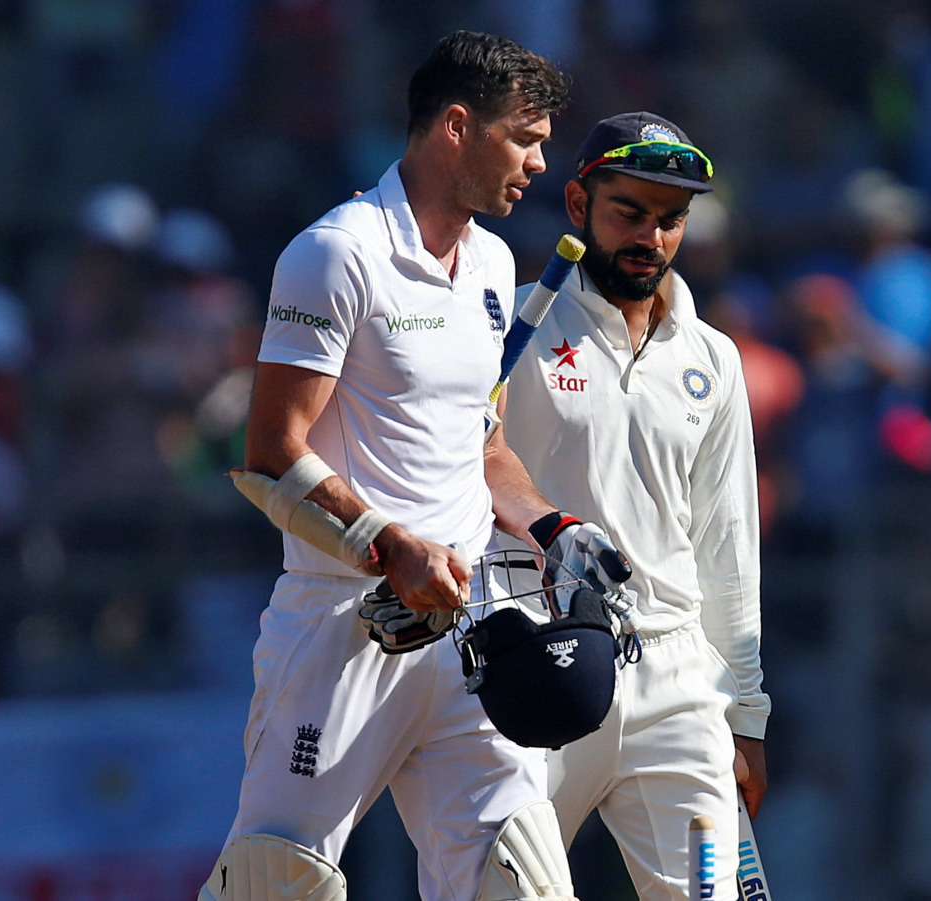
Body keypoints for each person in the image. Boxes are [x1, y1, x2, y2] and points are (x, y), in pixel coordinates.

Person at [198, 31, 629, 901]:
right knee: (277, 882)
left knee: (525, 884)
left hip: (475, 626)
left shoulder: (496, 264)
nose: (542, 163)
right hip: (345, 627)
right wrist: (393, 545)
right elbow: (272, 451)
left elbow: (482, 443)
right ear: (458, 127)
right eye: (526, 137)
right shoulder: (335, 252)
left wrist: (556, 527)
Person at [500, 112, 771, 900]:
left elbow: (727, 541)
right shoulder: (512, 323)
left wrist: (744, 714)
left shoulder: (712, 357)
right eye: (630, 213)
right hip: (539, 664)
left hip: (677, 684)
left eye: (671, 220)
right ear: (579, 203)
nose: (651, 237)